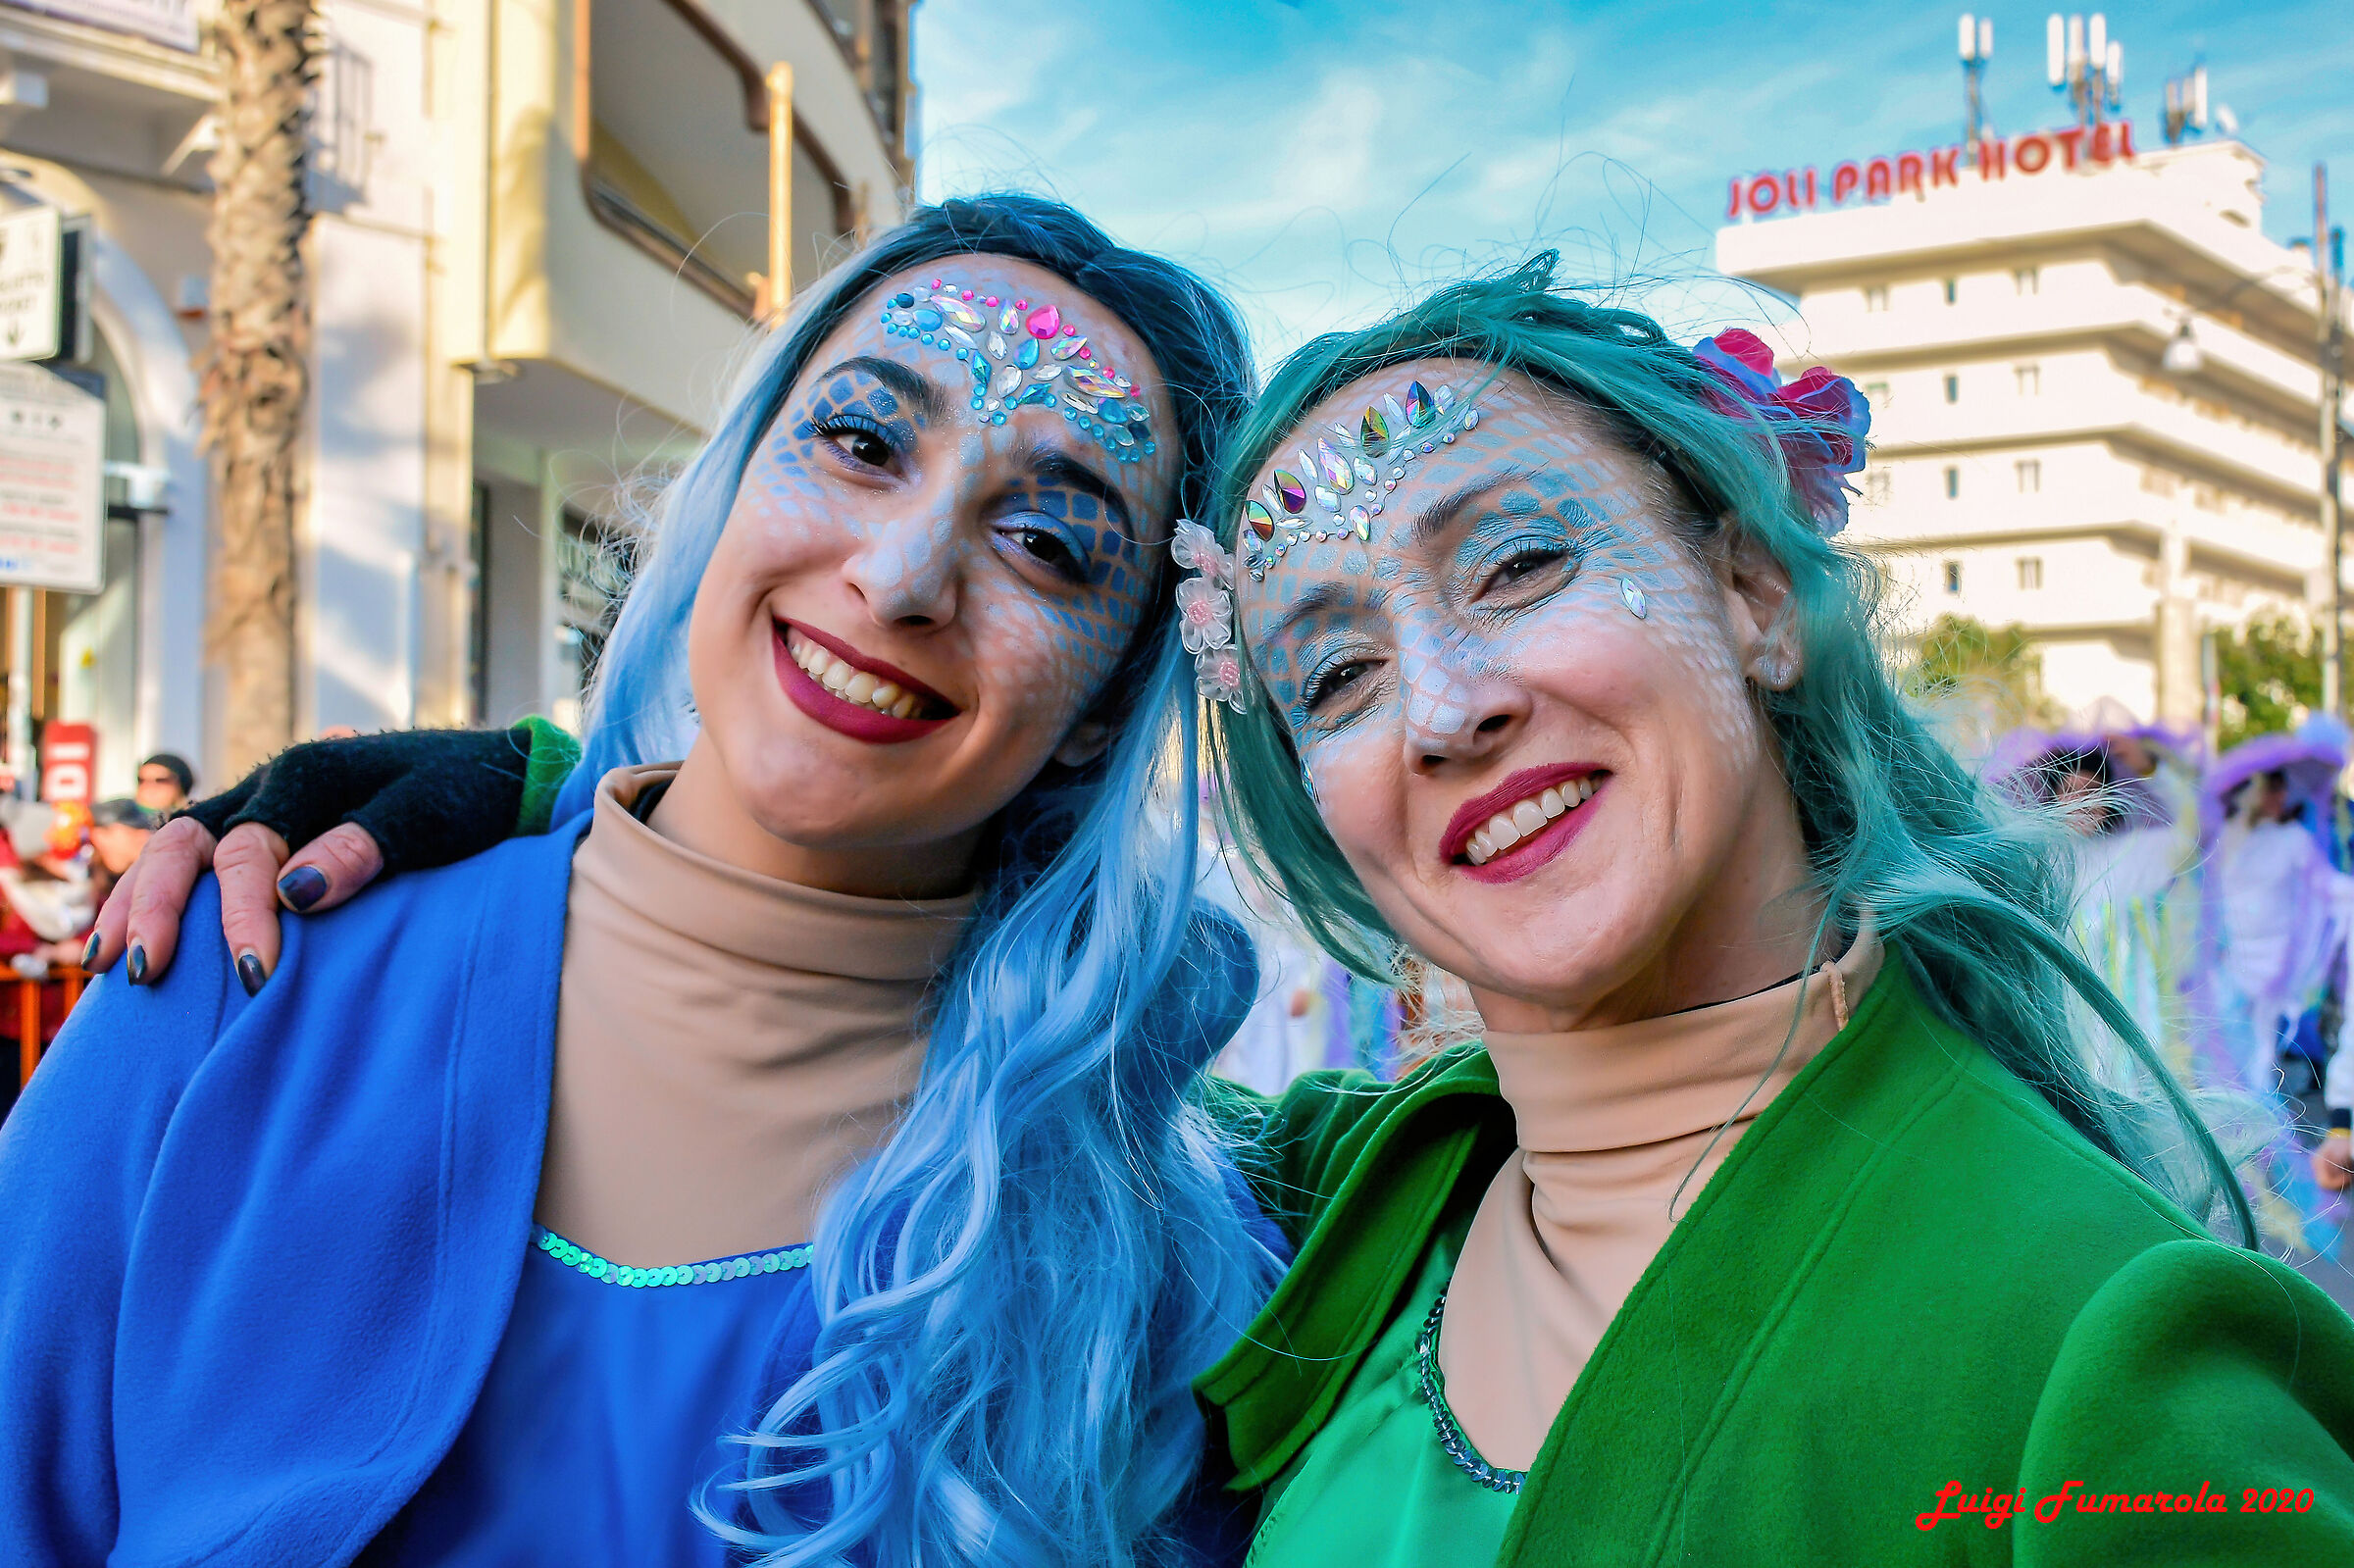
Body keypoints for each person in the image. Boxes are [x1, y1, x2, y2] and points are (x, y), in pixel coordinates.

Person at [87, 265, 2354, 1561]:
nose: (1448, 709)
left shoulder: (2113, 1351)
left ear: (1754, 589)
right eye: (1342, 667)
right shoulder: (1304, 1235)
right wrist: (537, 805)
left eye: (1523, 561)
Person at [0, 196, 1284, 1568]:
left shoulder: (1170, 1287)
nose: (903, 577)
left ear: (1108, 702)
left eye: (1046, 540)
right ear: (731, 481)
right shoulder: (234, 984)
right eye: (860, 443)